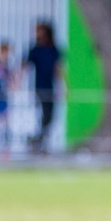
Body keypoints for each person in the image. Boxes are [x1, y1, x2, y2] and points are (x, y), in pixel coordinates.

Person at [23, 20, 62, 154]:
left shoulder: (54, 50)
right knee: (43, 114)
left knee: (50, 116)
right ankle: (38, 139)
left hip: (50, 87)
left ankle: (40, 139)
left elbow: (58, 70)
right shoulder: (35, 50)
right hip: (39, 87)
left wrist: (62, 87)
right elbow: (26, 66)